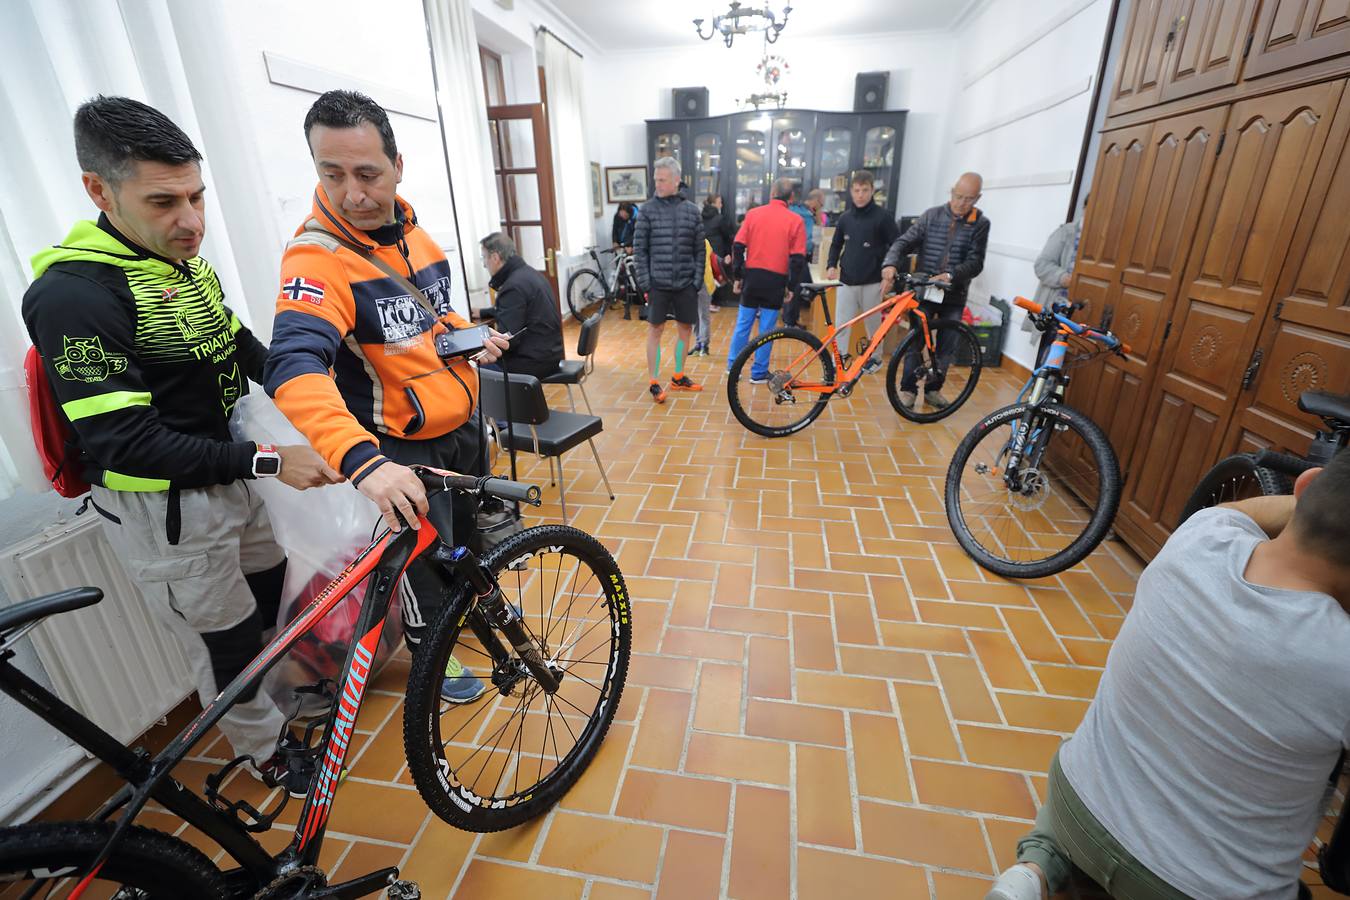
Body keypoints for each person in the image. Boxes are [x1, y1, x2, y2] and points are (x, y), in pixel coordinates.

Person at [21, 96, 339, 795]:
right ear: (99, 191)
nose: (191, 221)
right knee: (221, 641)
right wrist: (271, 461)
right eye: (164, 201)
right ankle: (266, 752)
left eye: (197, 196)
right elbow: (126, 442)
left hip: (232, 475)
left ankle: (278, 703)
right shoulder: (75, 295)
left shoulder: (179, 262)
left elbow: (238, 346)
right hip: (166, 511)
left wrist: (319, 385)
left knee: (264, 600)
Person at [988, 450, 1350, 900]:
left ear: (1305, 487)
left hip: (1075, 811)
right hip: (1194, 889)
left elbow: (1232, 512)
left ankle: (1036, 868)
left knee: (1096, 777)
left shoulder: (1203, 535)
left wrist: (1321, 503)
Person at [264, 90, 509, 704]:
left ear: (399, 165)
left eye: (368, 173)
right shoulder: (316, 258)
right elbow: (293, 364)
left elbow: (432, 316)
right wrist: (361, 460)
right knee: (419, 570)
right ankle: (437, 660)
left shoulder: (418, 237)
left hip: (460, 430)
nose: (353, 193)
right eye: (332, 173)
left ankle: (475, 612)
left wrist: (463, 337)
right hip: (399, 451)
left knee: (467, 544)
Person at [881, 171, 990, 410]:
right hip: (926, 291)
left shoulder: (980, 225)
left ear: (978, 198)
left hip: (954, 294)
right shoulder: (931, 216)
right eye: (958, 196)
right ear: (952, 192)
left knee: (946, 346)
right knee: (915, 341)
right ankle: (908, 389)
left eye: (968, 199)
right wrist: (890, 263)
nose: (961, 203)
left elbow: (976, 262)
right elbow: (903, 242)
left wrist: (951, 275)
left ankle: (933, 389)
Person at [632, 156, 704, 403]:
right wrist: (645, 283)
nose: (657, 184)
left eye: (662, 180)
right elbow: (639, 250)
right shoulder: (646, 211)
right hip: (657, 284)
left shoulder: (692, 211)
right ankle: (654, 381)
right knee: (655, 330)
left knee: (685, 330)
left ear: (676, 180)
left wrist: (696, 282)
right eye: (656, 179)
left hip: (686, 283)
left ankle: (678, 376)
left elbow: (700, 250)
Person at [725, 177, 807, 383]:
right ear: (791, 197)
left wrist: (738, 275)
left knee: (743, 323)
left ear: (771, 194)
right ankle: (759, 372)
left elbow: (737, 245)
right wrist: (790, 286)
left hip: (752, 277)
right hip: (776, 280)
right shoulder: (796, 220)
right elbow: (798, 259)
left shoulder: (753, 215)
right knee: (767, 329)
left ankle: (733, 366)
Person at [821, 171, 900, 368]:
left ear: (872, 190)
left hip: (873, 281)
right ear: (851, 191)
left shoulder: (883, 217)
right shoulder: (845, 218)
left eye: (865, 190)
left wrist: (890, 273)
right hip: (847, 280)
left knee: (873, 324)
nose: (860, 195)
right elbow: (836, 244)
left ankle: (875, 358)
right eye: (856, 190)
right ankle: (839, 359)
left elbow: (898, 245)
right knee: (842, 324)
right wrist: (831, 264)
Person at [479, 232, 563, 381]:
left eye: (484, 258)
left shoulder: (513, 286)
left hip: (533, 362)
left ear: (495, 257)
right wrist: (483, 312)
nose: (484, 264)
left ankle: (509, 405)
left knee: (478, 371)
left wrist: (478, 348)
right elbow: (521, 310)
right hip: (551, 353)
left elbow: (508, 341)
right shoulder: (529, 274)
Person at [701, 194, 734, 312]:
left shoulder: (701, 216)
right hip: (717, 250)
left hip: (704, 249)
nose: (721, 204)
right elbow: (728, 235)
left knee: (706, 276)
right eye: (720, 202)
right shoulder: (720, 218)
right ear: (714, 204)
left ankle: (706, 302)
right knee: (716, 276)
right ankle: (711, 302)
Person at [690, 237, 720, 356]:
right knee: (694, 315)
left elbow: (710, 260)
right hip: (690, 282)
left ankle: (704, 345)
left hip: (703, 281)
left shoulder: (704, 241)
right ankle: (698, 343)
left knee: (703, 314)